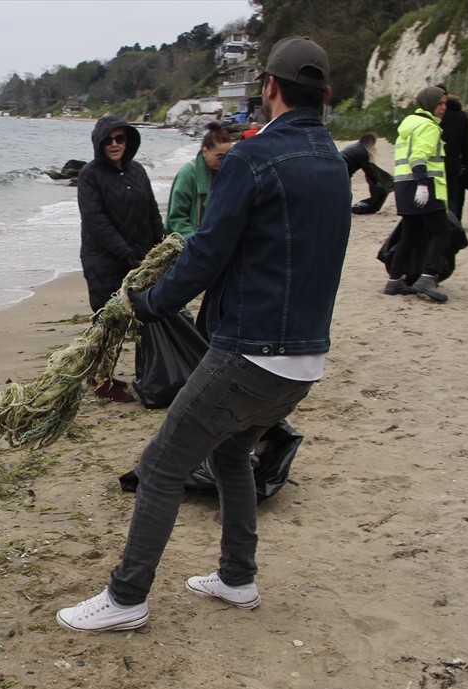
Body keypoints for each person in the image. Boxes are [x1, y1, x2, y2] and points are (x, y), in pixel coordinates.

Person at [57, 36, 350, 632]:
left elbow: (208, 251)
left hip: (251, 352)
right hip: (307, 359)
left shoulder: (252, 157)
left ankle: (126, 598)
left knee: (162, 464)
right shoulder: (333, 161)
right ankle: (237, 578)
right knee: (232, 451)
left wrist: (150, 304)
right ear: (324, 95)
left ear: (269, 87)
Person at [77, 115, 165, 402]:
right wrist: (126, 253)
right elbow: (96, 221)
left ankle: (151, 373)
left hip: (140, 258)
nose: (114, 144)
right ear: (99, 143)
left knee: (141, 319)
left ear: (128, 141)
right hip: (103, 260)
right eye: (109, 140)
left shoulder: (137, 171)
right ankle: (101, 380)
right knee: (107, 321)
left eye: (120, 138)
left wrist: (161, 246)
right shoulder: (89, 176)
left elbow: (151, 211)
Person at [384, 86, 451, 303]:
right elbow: (418, 157)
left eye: (445, 103)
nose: (444, 107)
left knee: (410, 234)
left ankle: (395, 279)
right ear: (429, 104)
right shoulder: (428, 127)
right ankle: (427, 277)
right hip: (423, 187)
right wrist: (422, 184)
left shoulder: (409, 126)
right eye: (439, 103)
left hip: (403, 187)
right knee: (442, 231)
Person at [165, 121, 234, 241]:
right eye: (219, 157)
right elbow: (176, 217)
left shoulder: (226, 173)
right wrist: (195, 242)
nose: (223, 162)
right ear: (205, 151)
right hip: (188, 243)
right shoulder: (187, 174)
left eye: (228, 157)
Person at [436, 85, 468, 220]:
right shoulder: (462, 116)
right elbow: (466, 142)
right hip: (453, 162)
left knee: (436, 196)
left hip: (435, 162)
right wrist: (465, 162)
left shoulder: (435, 116)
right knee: (453, 197)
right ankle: (454, 225)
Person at [340, 132, 394, 214]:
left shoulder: (355, 147)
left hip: (339, 169)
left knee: (343, 194)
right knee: (346, 195)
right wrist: (377, 184)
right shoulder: (362, 151)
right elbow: (368, 170)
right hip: (342, 172)